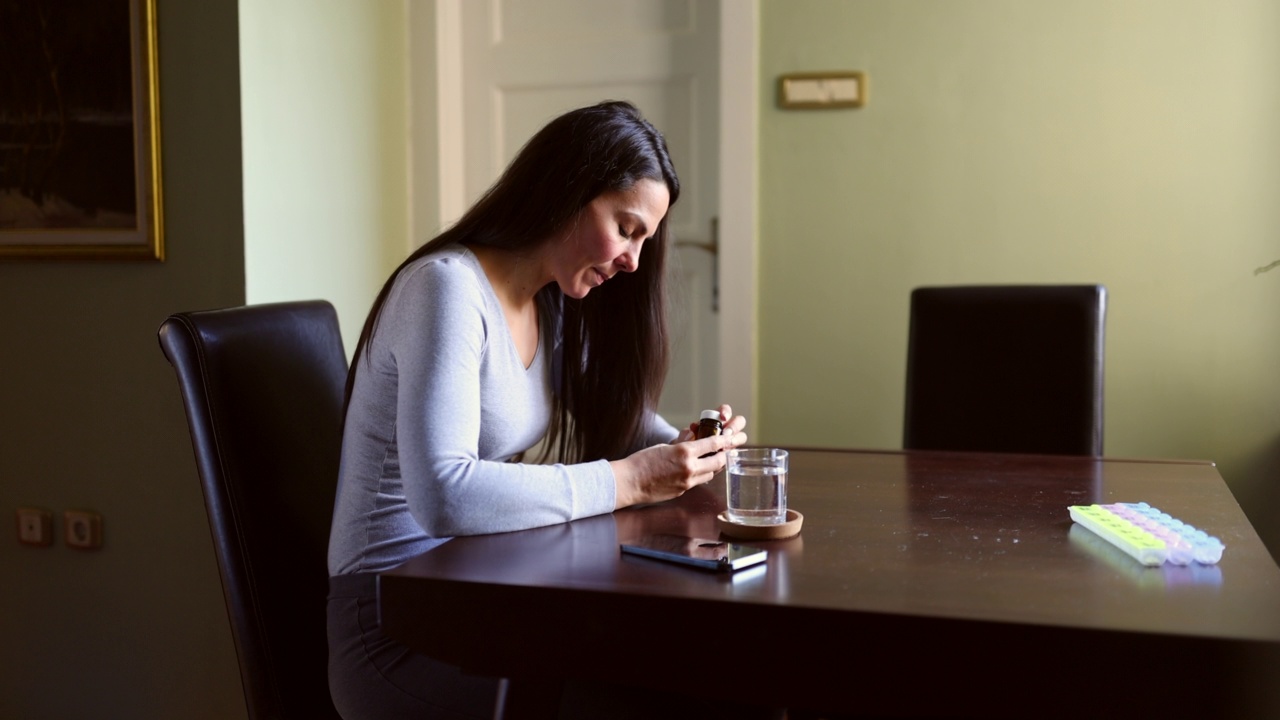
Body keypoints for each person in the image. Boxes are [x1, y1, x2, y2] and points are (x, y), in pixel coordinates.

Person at [326, 100, 751, 720]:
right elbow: (443, 493)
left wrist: (692, 450)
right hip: (395, 628)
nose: (634, 260)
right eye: (627, 228)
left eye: (645, 240)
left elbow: (620, 422)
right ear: (566, 191)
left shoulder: (547, 300)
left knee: (708, 677)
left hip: (476, 597)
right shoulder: (446, 289)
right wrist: (631, 479)